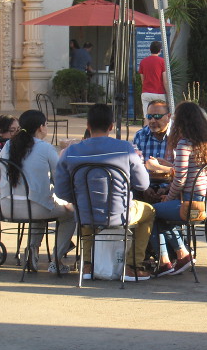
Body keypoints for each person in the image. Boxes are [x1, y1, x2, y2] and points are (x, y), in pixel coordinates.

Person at [55, 104, 155, 281]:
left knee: (84, 210)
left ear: (88, 125)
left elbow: (61, 191)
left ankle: (87, 264)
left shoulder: (71, 152)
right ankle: (133, 265)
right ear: (111, 126)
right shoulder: (125, 148)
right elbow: (143, 184)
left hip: (86, 215)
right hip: (120, 214)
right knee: (149, 211)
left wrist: (80, 199)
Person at [0, 110, 75, 274]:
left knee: (40, 205)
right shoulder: (45, 148)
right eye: (46, 125)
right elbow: (61, 176)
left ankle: (32, 250)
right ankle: (56, 259)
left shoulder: (8, 146)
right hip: (36, 206)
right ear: (41, 127)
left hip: (7, 206)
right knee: (70, 213)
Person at [152, 101, 207, 277]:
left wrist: (168, 196)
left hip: (192, 205)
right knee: (162, 215)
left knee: (151, 212)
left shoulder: (184, 144)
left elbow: (180, 179)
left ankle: (168, 260)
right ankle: (178, 255)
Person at [138, 41, 169, 124]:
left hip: (146, 92)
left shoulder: (143, 62)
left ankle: (145, 135)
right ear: (160, 50)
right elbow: (165, 80)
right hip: (159, 93)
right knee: (162, 117)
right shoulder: (162, 62)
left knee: (147, 117)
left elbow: (142, 80)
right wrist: (168, 93)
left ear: (150, 49)